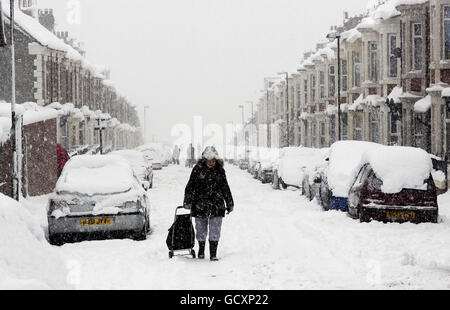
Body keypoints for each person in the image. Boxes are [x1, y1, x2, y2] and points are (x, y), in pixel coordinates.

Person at [183, 146, 234, 261]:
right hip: (200, 204)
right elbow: (190, 186)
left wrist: (229, 203)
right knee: (200, 229)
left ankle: (213, 253)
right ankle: (201, 250)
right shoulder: (197, 169)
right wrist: (187, 201)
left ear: (216, 160)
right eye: (209, 161)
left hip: (216, 205)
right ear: (204, 160)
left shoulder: (220, 171)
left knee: (215, 230)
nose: (211, 163)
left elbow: (225, 187)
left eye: (213, 161)